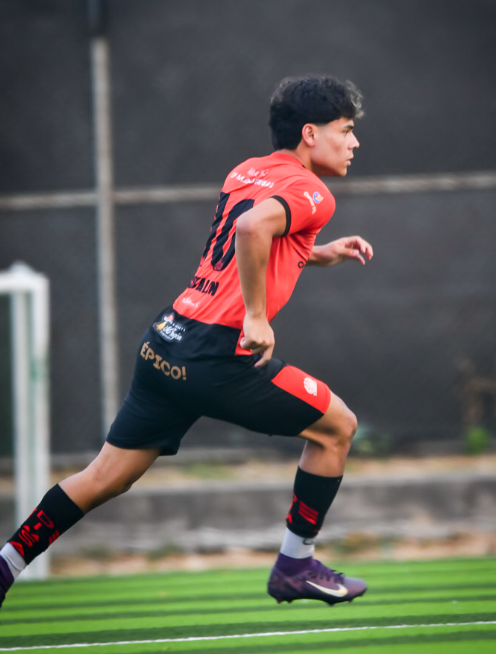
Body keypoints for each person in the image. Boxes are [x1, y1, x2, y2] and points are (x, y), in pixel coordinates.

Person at [0, 74, 373, 608]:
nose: (354, 142)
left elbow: (252, 236)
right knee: (338, 427)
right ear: (310, 134)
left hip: (166, 341)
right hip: (217, 356)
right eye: (346, 129)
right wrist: (256, 317)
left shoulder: (246, 170)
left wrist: (319, 252)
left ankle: (6, 565)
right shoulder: (315, 193)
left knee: (104, 477)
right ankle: (295, 565)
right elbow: (250, 231)